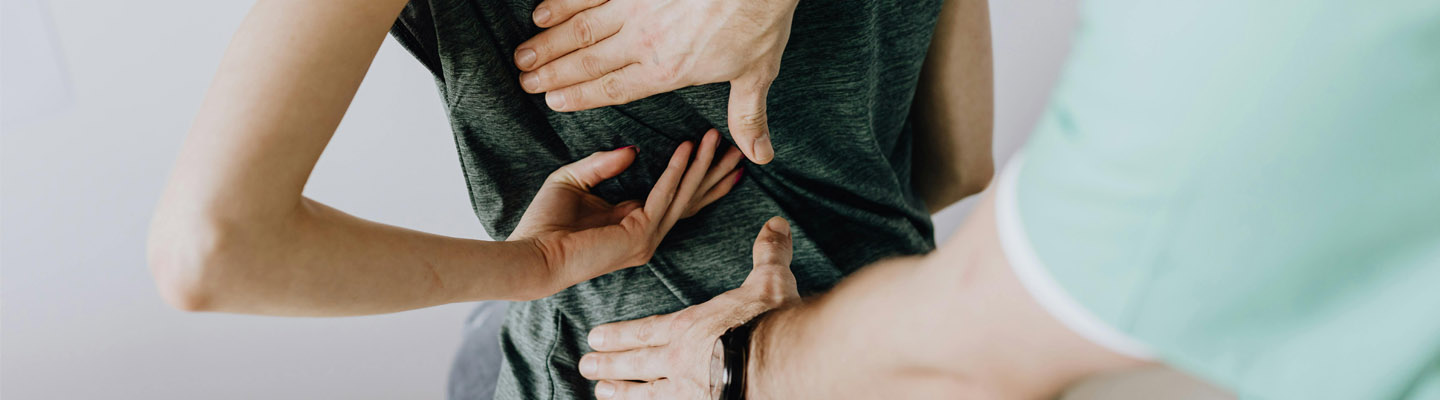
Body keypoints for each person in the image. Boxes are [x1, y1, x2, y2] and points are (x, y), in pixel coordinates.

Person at [569, 1, 1440, 399]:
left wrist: (744, 364)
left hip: (668, 362)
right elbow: (958, 165)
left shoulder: (1233, 52)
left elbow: (1000, 322)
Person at [148, 0, 995, 400]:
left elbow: (215, 249)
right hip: (893, 347)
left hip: (611, 364)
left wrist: (537, 265)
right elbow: (958, 166)